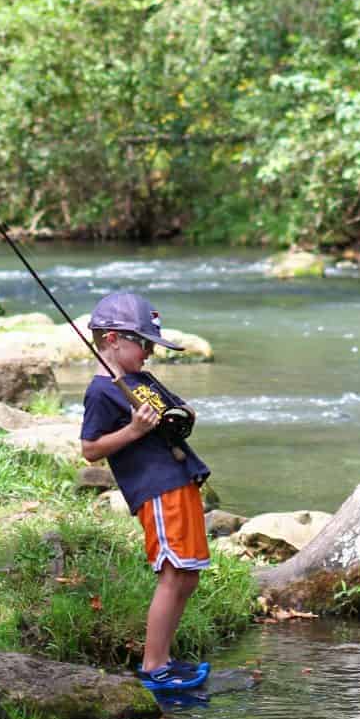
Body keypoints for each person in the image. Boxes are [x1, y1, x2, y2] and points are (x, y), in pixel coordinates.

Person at [80, 289, 212, 693]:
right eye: (144, 343)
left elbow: (179, 412)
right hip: (156, 489)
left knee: (188, 575)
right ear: (111, 340)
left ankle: (167, 658)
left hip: (181, 479)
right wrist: (134, 430)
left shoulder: (142, 379)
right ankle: (154, 666)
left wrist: (179, 418)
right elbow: (89, 450)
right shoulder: (101, 391)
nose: (150, 353)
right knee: (172, 574)